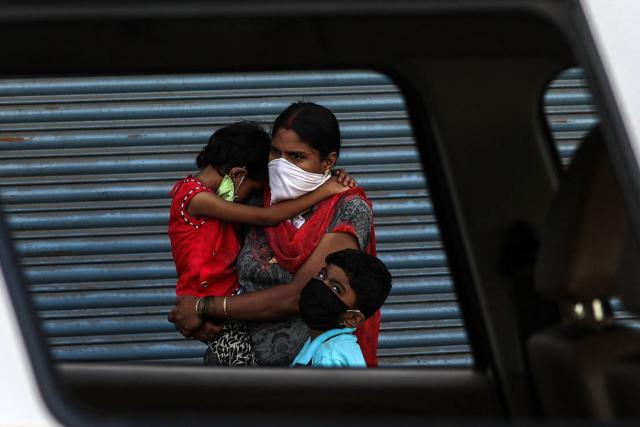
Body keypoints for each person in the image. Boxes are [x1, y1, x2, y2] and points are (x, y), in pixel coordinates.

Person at [169, 102, 380, 367]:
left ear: (328, 161)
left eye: (296, 157)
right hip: (229, 365)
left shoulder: (347, 210)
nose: (281, 165)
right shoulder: (257, 198)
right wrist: (198, 316)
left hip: (300, 374)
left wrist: (202, 307)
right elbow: (204, 255)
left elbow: (298, 296)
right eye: (275, 152)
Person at [291, 249, 392, 368]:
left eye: (336, 289)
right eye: (322, 275)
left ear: (352, 318)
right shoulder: (334, 345)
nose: (320, 286)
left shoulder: (328, 358)